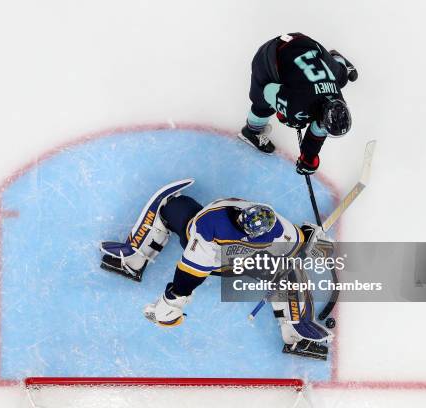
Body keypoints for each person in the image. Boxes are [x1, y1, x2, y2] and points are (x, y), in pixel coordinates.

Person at [100, 179, 332, 360]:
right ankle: (295, 331)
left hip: (235, 259)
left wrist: (304, 241)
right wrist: (175, 297)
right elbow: (191, 272)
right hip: (220, 260)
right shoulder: (210, 229)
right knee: (290, 273)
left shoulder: (272, 224)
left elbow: (293, 241)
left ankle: (134, 263)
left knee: (170, 206)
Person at [238, 32, 358, 175]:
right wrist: (285, 113)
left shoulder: (336, 98)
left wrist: (309, 156)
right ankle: (251, 131)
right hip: (270, 54)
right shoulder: (297, 103)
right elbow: (268, 91)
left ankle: (337, 59)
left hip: (304, 42)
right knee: (261, 104)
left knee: (341, 78)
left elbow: (320, 124)